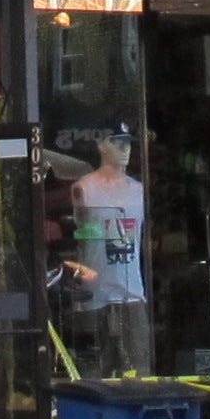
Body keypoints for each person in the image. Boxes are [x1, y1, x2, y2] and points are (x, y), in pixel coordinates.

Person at [61, 130, 150, 376]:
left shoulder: (140, 191)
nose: (125, 149)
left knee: (138, 373)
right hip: (94, 294)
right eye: (117, 142)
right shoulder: (84, 188)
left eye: (127, 143)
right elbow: (80, 234)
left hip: (131, 293)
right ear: (101, 145)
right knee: (93, 373)